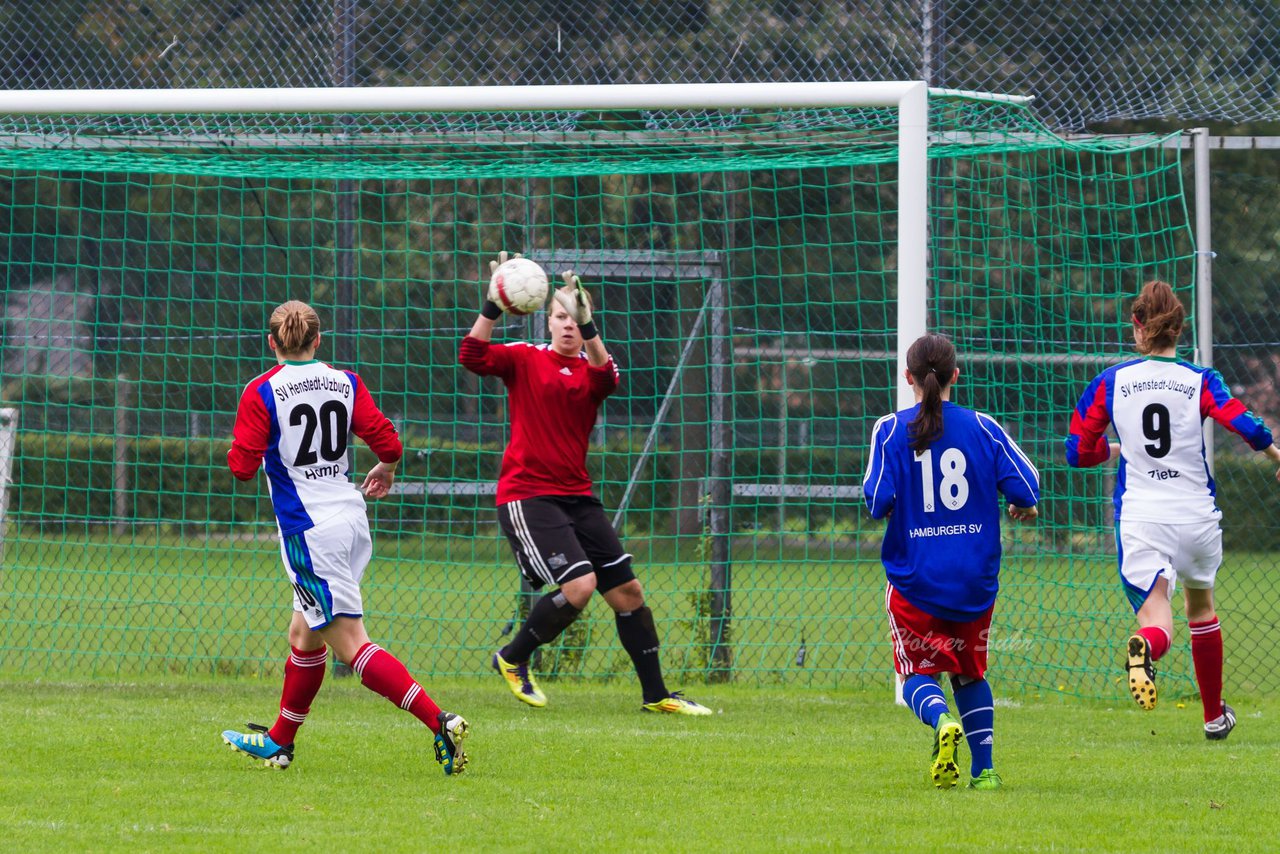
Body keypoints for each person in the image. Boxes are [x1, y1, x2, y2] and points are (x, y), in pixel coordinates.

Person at [220, 300, 469, 774]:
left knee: (352, 643)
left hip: (309, 531)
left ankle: (440, 720)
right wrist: (388, 468)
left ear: (271, 342)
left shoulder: (262, 391)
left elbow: (242, 468)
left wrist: (245, 442)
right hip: (352, 519)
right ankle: (280, 742)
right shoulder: (345, 381)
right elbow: (389, 444)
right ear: (318, 340)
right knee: (305, 631)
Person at [460, 252, 711, 716]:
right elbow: (471, 354)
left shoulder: (595, 368)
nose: (568, 324)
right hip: (529, 495)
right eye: (560, 316)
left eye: (576, 317)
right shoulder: (523, 359)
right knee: (579, 586)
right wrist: (495, 302)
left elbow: (606, 377)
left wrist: (592, 329)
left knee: (628, 594)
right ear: (547, 322)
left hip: (577, 497)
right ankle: (512, 658)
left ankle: (656, 695)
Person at [1065, 279, 1280, 740]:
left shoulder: (1111, 382)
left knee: (1156, 614)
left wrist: (1116, 449)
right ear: (1179, 330)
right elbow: (1243, 423)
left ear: (1138, 326)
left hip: (1143, 518)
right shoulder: (1200, 379)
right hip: (1197, 516)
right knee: (1200, 609)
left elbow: (1077, 452)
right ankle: (1213, 717)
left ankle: (1147, 645)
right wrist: (1276, 456)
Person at [863, 333, 1040, 790]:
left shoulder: (888, 429)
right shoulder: (982, 426)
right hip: (973, 582)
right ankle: (985, 772)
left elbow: (876, 501)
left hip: (916, 581)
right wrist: (1022, 504)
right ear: (954, 377)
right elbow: (1027, 485)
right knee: (968, 670)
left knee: (916, 674)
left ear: (909, 379)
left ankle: (942, 721)